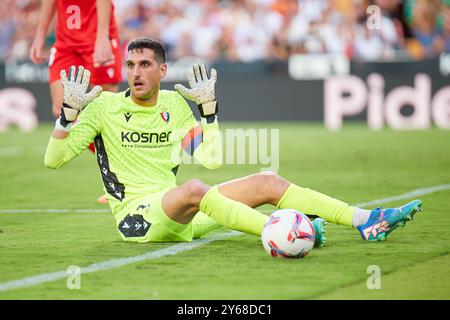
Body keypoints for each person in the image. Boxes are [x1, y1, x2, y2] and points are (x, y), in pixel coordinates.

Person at [44, 38, 422, 245]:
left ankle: (367, 220)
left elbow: (209, 160)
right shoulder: (102, 107)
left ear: (162, 70)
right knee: (193, 187)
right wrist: (66, 118)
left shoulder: (176, 106)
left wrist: (209, 113)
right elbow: (53, 161)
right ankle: (278, 231)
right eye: (130, 65)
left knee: (268, 181)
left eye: (144, 65)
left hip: (181, 214)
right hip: (137, 219)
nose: (135, 72)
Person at [30, 0, 122, 204]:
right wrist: (39, 36)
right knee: (62, 109)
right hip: (66, 44)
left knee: (110, 112)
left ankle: (122, 177)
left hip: (96, 39)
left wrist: (101, 38)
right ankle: (116, 171)